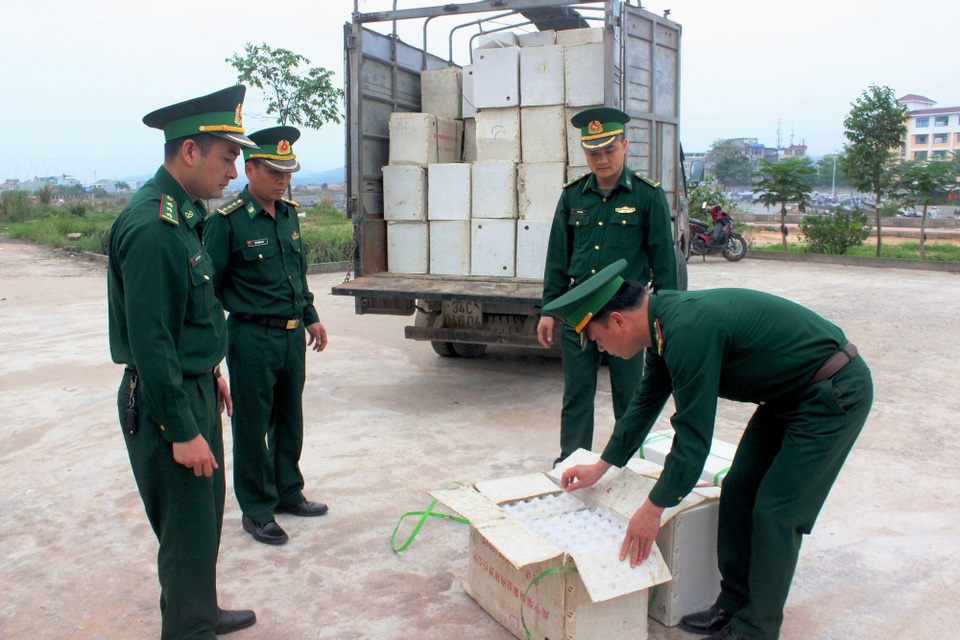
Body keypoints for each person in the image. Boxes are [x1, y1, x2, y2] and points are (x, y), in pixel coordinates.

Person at [550, 260, 873, 640]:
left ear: (619, 321)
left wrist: (654, 508)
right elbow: (645, 403)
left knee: (776, 513)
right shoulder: (660, 328)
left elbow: (693, 436)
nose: (600, 349)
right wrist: (601, 466)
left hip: (831, 393)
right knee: (738, 489)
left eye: (598, 338)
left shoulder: (686, 330)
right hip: (786, 396)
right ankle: (733, 606)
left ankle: (756, 629)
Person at [107, 85, 259, 638]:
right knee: (185, 530)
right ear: (189, 152)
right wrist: (180, 427)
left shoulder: (185, 215)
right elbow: (150, 343)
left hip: (189, 387)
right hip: (163, 400)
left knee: (200, 523)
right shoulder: (153, 227)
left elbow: (186, 317)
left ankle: (198, 609)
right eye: (227, 156)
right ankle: (188, 629)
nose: (234, 170)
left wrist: (210, 371)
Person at [204, 126, 329, 546]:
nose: (283, 180)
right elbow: (208, 286)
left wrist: (310, 315)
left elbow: (297, 273)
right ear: (250, 169)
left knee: (289, 418)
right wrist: (215, 344)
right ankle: (257, 509)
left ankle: (288, 492)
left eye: (288, 172)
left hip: (293, 338)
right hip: (252, 337)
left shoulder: (289, 214)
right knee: (253, 424)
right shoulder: (228, 222)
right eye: (274, 171)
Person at [537, 107, 678, 466]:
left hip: (626, 314)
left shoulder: (647, 196)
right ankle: (571, 461)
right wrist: (550, 310)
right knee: (577, 395)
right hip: (579, 312)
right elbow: (557, 257)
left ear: (625, 145)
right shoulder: (572, 197)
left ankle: (629, 462)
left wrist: (669, 318)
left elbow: (664, 262)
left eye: (609, 151)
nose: (601, 160)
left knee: (631, 396)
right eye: (593, 153)